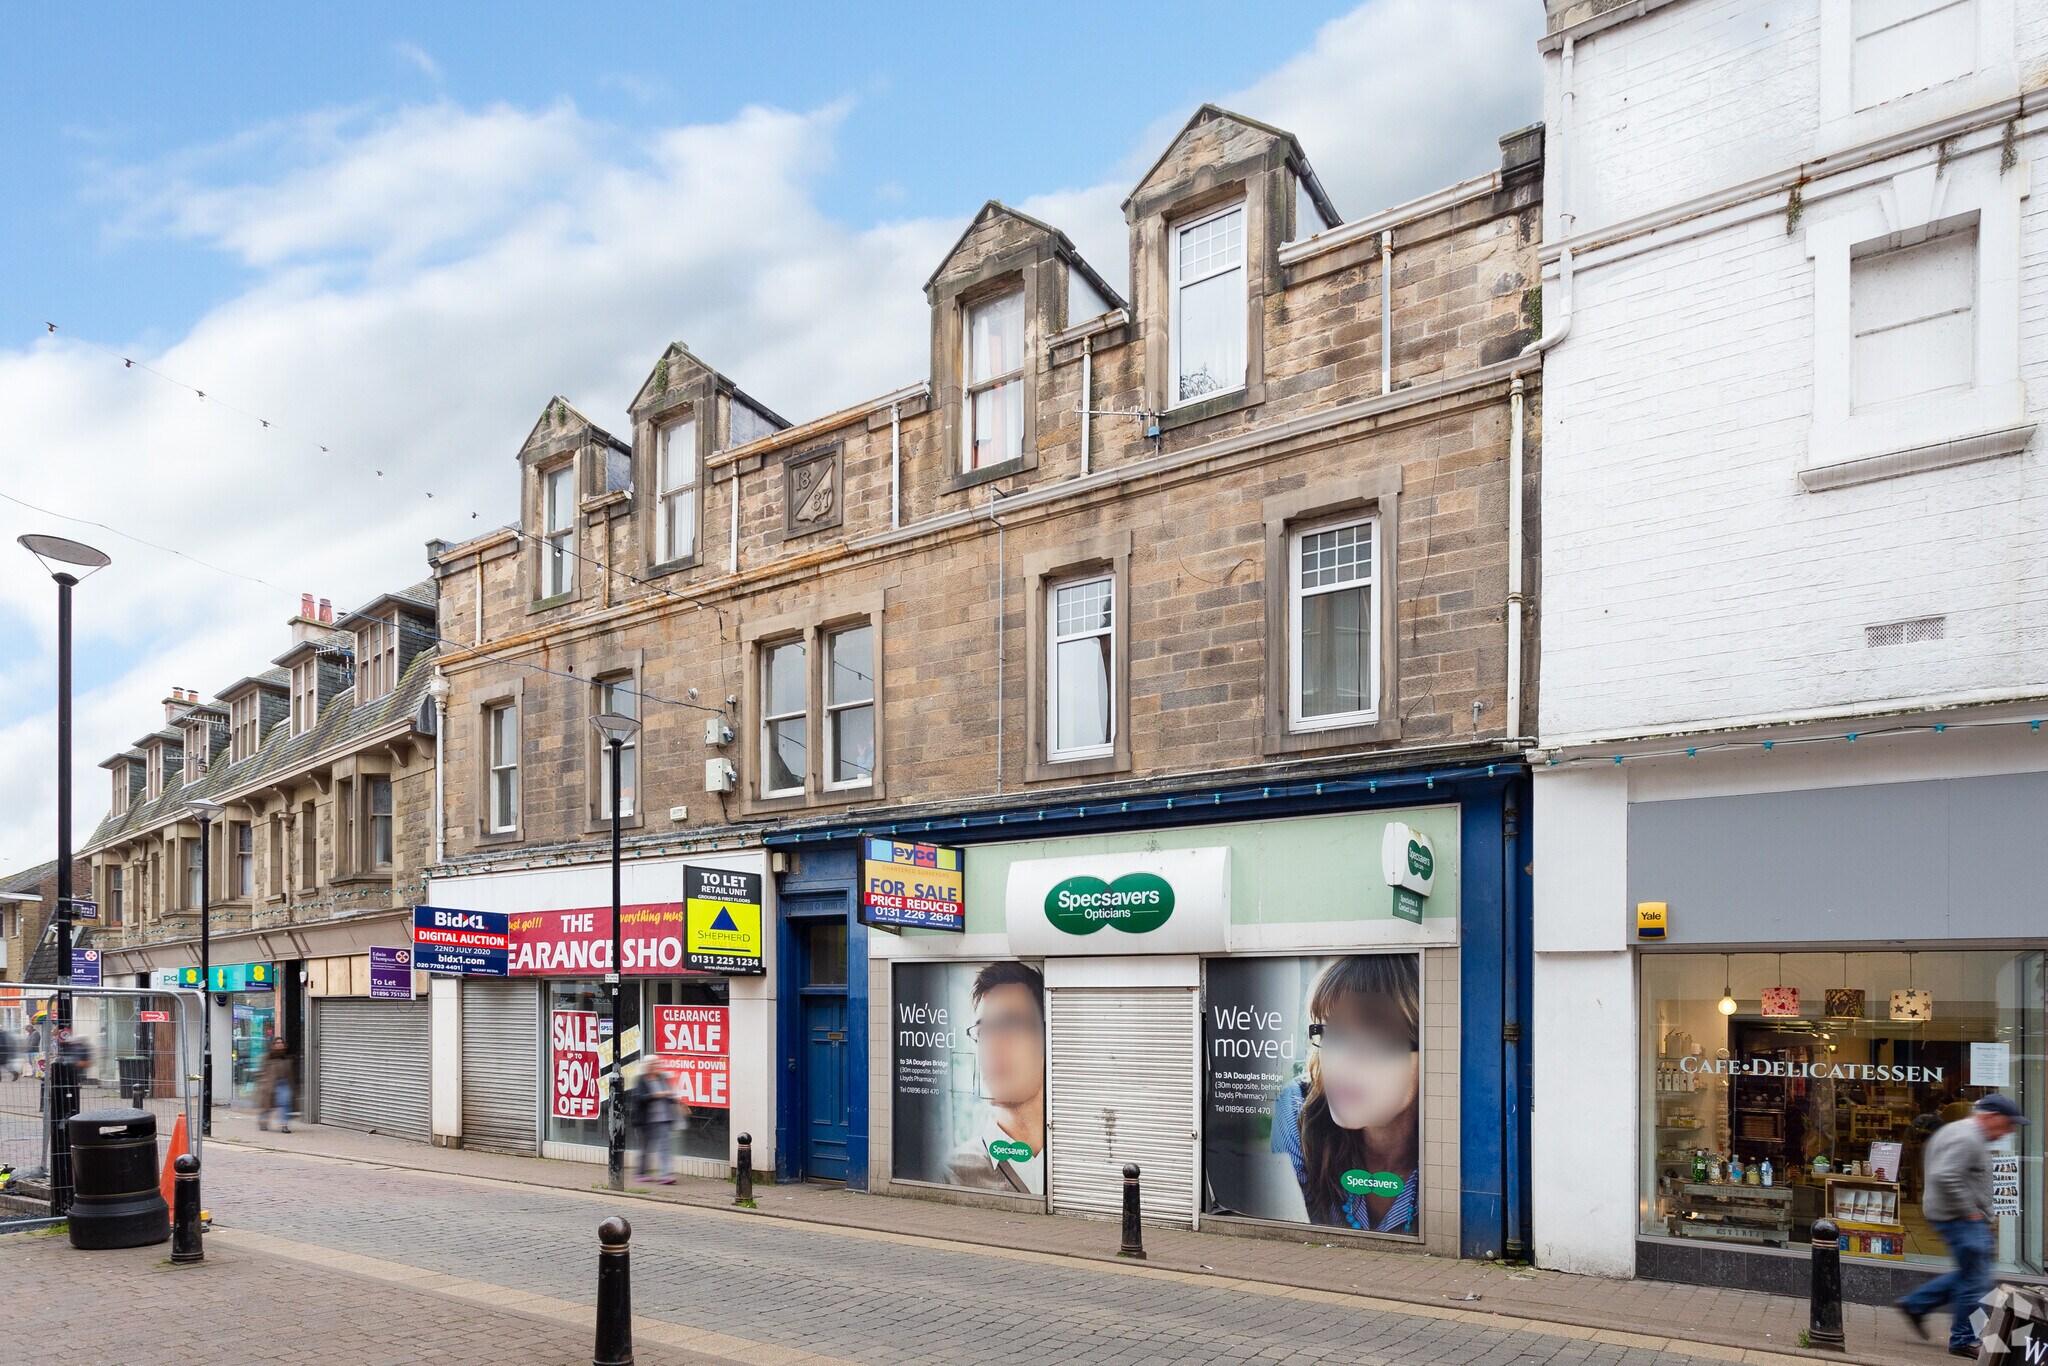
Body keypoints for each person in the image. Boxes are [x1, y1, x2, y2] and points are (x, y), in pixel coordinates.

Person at [1272, 954, 1421, 1233]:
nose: (1343, 1061)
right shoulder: (1299, 1109)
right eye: (1335, 1033)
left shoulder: (1461, 1147)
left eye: (1376, 1038)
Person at [1899, 1093, 2027, 1358]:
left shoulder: (1961, 1131)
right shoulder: (1967, 1137)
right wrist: (1970, 1212)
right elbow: (1945, 1175)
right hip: (1960, 1218)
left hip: (1952, 1215)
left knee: (1969, 1274)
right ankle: (1963, 1339)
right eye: (2007, 1124)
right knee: (1975, 1281)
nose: (2008, 1131)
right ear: (1992, 1117)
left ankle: (1916, 1304)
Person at [945, 961, 1046, 1195]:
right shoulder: (952, 1173)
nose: (992, 1045)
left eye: (1010, 1025)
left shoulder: (1074, 1155)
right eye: (984, 1031)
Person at [636, 1061, 678, 1184]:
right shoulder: (642, 1080)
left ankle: (664, 1175)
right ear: (647, 1067)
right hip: (647, 1120)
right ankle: (641, 1172)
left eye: (656, 1065)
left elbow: (669, 1094)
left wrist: (672, 1097)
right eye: (652, 1065)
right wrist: (655, 1095)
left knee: (664, 1147)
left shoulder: (662, 1078)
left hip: (663, 1118)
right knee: (645, 1148)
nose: (655, 1067)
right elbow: (638, 1098)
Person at [256, 1038, 293, 1133]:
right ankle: (263, 1120)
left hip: (283, 1083)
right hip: (270, 1084)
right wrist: (263, 1083)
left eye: (281, 1042)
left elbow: (289, 1073)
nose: (280, 1044)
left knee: (285, 1104)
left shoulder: (286, 1057)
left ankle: (284, 1125)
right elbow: (262, 1071)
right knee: (268, 1105)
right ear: (273, 1045)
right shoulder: (267, 1057)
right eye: (277, 1043)